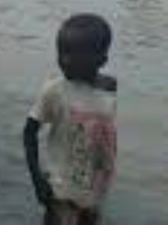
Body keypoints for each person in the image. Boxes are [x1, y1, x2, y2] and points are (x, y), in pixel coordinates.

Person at [23, 14, 117, 225]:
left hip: (93, 195)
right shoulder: (54, 91)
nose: (64, 60)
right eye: (61, 53)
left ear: (101, 61)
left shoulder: (109, 89)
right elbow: (29, 132)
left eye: (74, 56)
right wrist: (37, 180)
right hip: (60, 193)